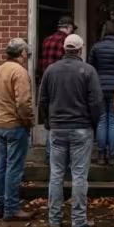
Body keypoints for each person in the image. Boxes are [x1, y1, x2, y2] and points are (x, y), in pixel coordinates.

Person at [39, 34, 101, 227]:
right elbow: (96, 101)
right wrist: (93, 122)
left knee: (56, 175)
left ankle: (54, 218)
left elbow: (43, 100)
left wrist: (47, 122)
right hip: (81, 128)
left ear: (64, 49)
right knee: (79, 175)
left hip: (57, 128)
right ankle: (78, 219)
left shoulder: (51, 70)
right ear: (81, 50)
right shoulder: (88, 71)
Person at [0, 38, 35, 222]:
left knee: (1, 167)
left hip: (0, 124)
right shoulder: (19, 72)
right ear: (23, 53)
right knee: (14, 168)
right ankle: (11, 208)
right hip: (16, 125)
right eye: (27, 53)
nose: (27, 57)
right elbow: (24, 102)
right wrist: (29, 121)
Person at [87, 21, 114, 166]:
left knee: (101, 121)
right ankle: (112, 156)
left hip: (99, 87)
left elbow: (90, 68)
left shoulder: (95, 47)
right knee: (113, 121)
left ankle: (101, 155)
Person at [38, 15, 75, 163]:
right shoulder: (65, 42)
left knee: (51, 119)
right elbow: (66, 64)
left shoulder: (47, 40)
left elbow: (42, 62)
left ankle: (49, 154)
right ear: (67, 27)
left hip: (47, 82)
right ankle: (63, 156)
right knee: (63, 118)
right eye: (71, 28)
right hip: (61, 83)